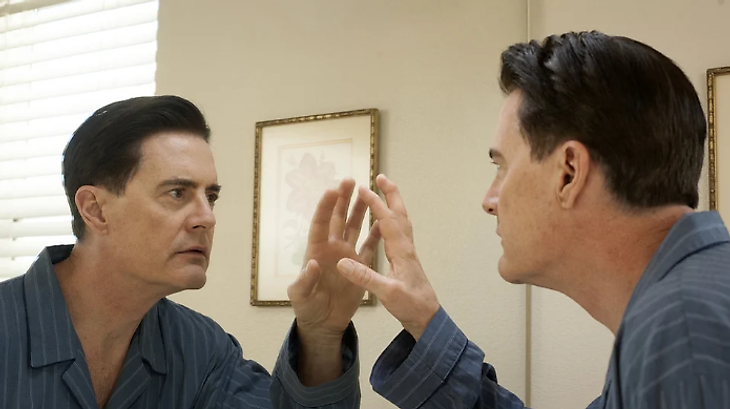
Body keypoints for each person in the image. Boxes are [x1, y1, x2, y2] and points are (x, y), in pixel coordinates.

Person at [335, 31, 730, 408]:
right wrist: (424, 320)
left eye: (502, 166)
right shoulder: (684, 315)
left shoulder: (685, 335)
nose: (489, 202)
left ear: (569, 173)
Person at [0, 96, 380, 408]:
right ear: (96, 210)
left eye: (210, 197)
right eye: (177, 193)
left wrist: (320, 334)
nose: (207, 218)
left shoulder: (201, 348)